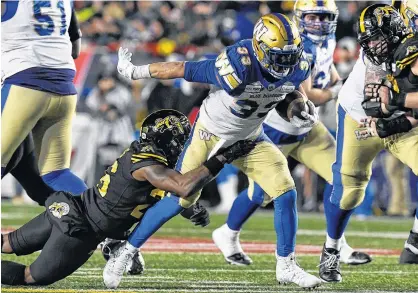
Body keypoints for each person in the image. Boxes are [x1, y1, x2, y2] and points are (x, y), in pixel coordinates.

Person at [107, 13, 321, 289]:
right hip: (210, 135)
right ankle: (126, 251)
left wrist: (299, 109)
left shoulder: (297, 65)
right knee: (179, 198)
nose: (285, 63)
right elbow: (184, 68)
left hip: (249, 138)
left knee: (285, 189)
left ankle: (287, 266)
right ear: (259, 48)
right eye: (278, 56)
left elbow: (288, 93)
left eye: (289, 56)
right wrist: (136, 71)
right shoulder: (238, 64)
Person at [1, 109, 254, 286]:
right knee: (30, 277)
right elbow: (181, 186)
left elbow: (160, 192)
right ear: (167, 139)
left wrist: (189, 209)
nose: (183, 143)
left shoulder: (142, 156)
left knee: (8, 243)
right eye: (180, 138)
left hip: (70, 208)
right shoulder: (147, 164)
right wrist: (223, 158)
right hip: (81, 230)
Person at [212, 0, 371, 275]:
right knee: (259, 193)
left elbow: (327, 72)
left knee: (343, 178)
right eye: (313, 17)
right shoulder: (297, 46)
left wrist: (335, 82)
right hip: (278, 130)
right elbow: (308, 95)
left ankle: (336, 245)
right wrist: (337, 92)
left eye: (324, 18)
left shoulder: (326, 40)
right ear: (300, 17)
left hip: (308, 128)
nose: (319, 23)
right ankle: (227, 232)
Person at [319, 4, 418, 283]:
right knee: (349, 191)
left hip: (399, 119)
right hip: (359, 118)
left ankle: (415, 241)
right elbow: (376, 106)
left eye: (377, 38)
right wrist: (397, 116)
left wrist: (400, 118)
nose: (372, 45)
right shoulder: (379, 59)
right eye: (368, 40)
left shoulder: (411, 46)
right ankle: (331, 249)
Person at [1, 0, 87, 194]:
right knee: (57, 173)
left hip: (24, 84)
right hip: (64, 88)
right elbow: (75, 50)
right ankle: (102, 218)